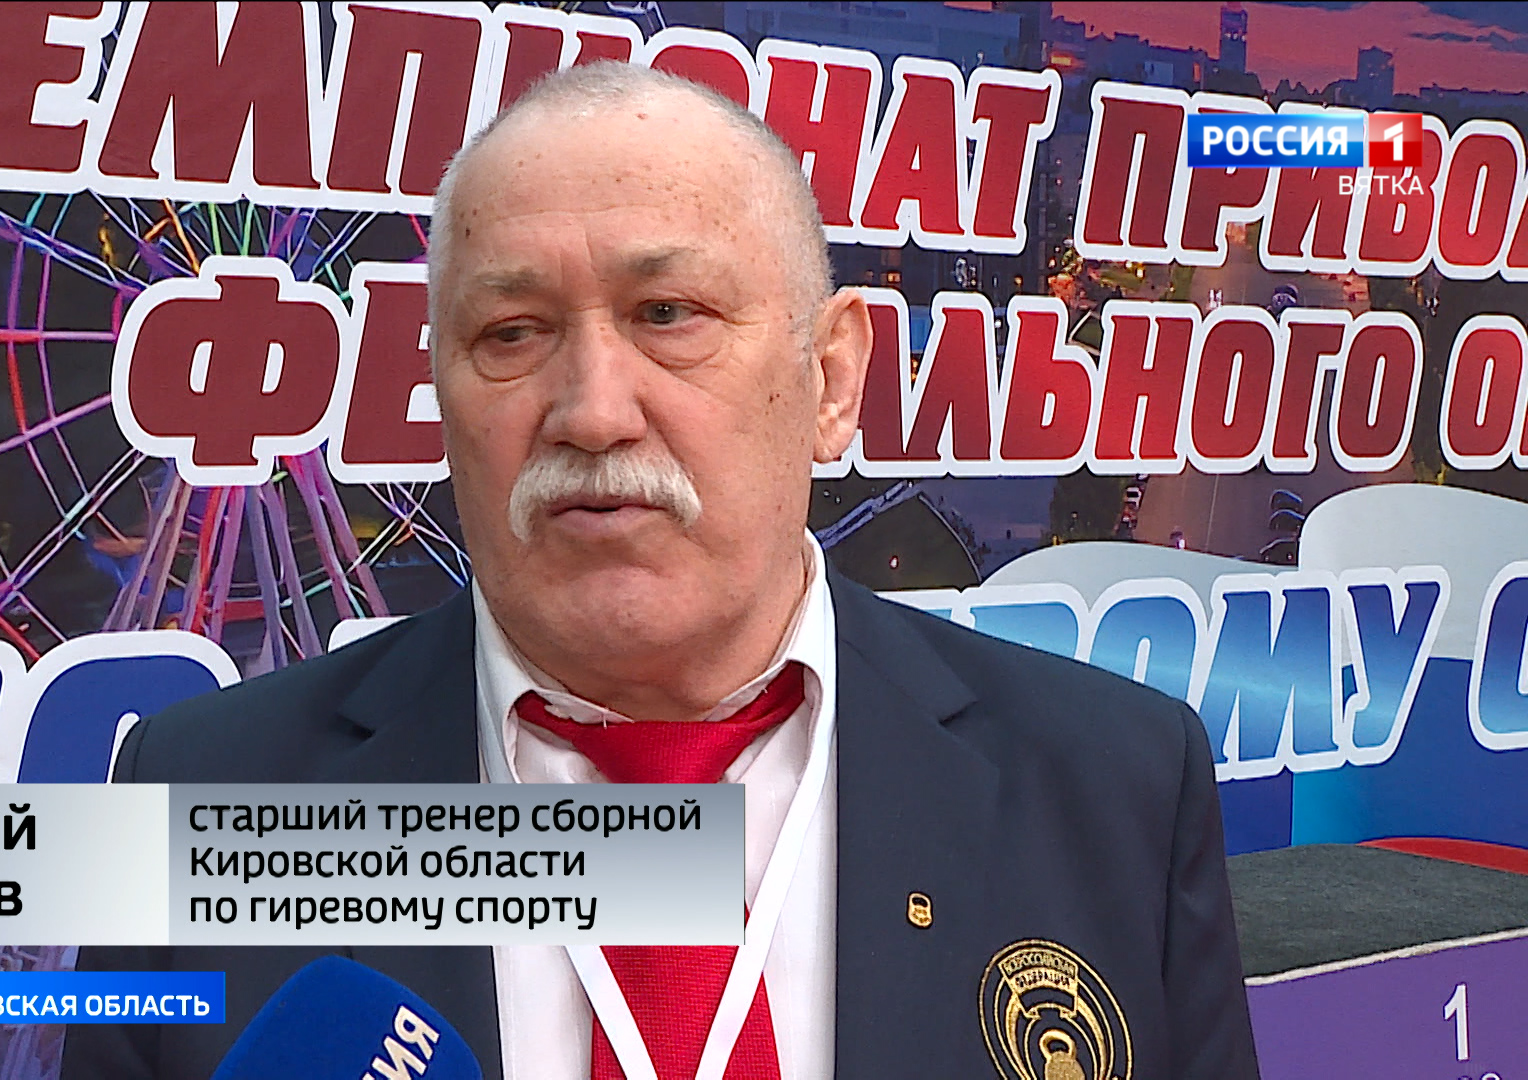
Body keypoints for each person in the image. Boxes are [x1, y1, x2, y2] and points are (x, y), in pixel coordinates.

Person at [64, 61, 1258, 1080]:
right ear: (437, 393)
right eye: (511, 334)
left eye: (669, 313)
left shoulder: (1113, 784)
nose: (592, 411)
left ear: (833, 380)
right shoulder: (199, 800)